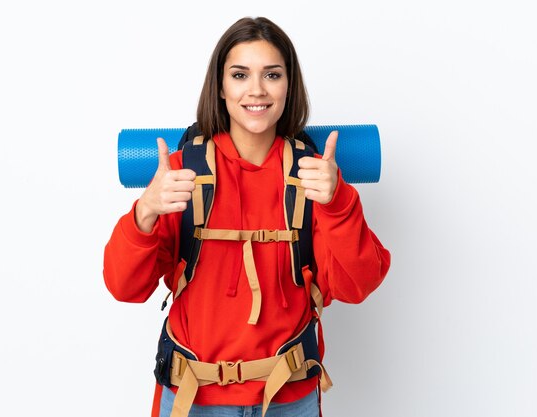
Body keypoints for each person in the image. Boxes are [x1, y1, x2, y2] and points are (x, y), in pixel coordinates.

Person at [103, 16, 391, 417]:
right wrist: (145, 212)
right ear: (220, 87)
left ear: (289, 86)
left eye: (272, 75)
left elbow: (358, 285)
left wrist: (338, 201)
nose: (256, 89)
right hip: (194, 397)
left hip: (289, 398)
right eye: (240, 75)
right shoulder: (179, 173)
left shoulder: (315, 177)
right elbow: (124, 287)